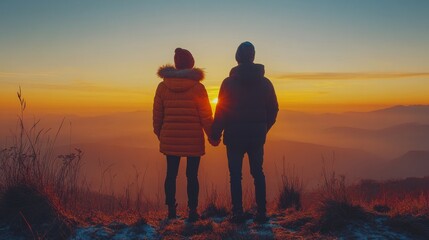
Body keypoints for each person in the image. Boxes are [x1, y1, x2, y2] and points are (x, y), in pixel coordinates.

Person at [211, 41, 279, 223]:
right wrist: (263, 128)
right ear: (253, 57)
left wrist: (215, 134)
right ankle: (262, 212)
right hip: (257, 137)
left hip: (234, 136)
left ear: (238, 57)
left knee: (235, 175)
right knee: (258, 172)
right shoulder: (265, 83)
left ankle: (237, 213)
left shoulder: (228, 83)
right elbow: (274, 109)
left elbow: (221, 111)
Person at [153, 48, 215, 222]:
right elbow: (206, 116)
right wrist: (213, 136)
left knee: (171, 174)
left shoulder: (162, 87)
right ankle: (193, 210)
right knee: (192, 176)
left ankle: (171, 210)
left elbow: (157, 115)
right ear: (191, 64)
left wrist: (161, 134)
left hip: (170, 137)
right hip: (193, 139)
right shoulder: (198, 88)